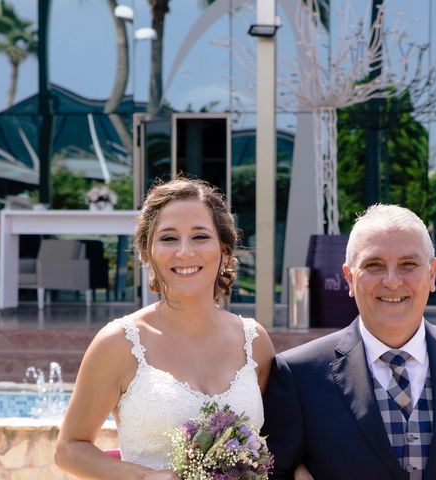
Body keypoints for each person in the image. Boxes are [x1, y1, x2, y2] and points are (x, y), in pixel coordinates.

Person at [263, 204, 436, 480]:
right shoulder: (299, 374)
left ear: (432, 274)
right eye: (374, 265)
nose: (393, 281)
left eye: (408, 265)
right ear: (349, 277)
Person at [55, 177, 275, 479]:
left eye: (200, 237)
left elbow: (279, 445)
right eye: (169, 238)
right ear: (148, 253)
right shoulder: (118, 344)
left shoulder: (255, 342)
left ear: (224, 251)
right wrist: (145, 477)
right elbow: (69, 448)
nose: (184, 252)